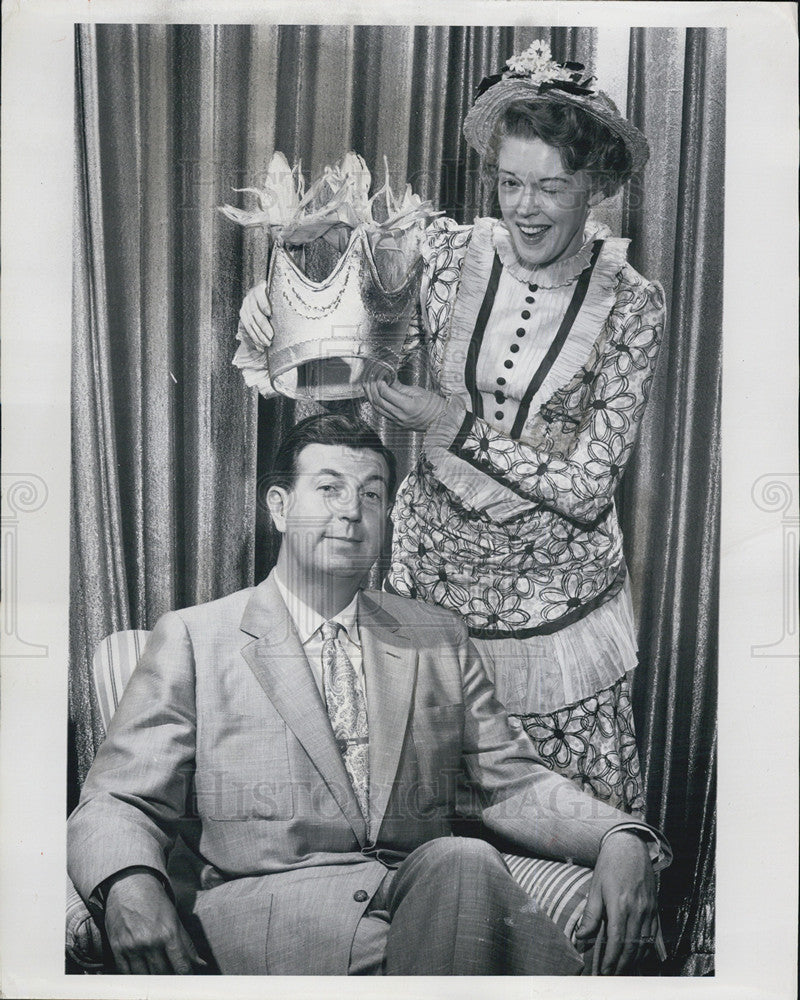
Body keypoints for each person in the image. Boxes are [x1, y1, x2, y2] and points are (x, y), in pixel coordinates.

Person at [68, 413, 669, 976]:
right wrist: (128, 885)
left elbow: (514, 784)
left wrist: (620, 836)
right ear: (279, 507)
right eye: (329, 488)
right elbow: (118, 800)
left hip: (424, 895)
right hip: (274, 911)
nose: (352, 511)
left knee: (467, 860)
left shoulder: (436, 638)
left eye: (372, 494)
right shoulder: (197, 638)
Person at [239, 42, 666, 817]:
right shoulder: (443, 252)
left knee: (569, 824)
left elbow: (587, 485)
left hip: (556, 612)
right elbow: (343, 333)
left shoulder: (632, 304)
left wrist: (449, 423)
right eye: (510, 183)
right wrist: (271, 308)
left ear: (595, 188)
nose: (525, 206)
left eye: (551, 186)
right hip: (427, 586)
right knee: (423, 812)